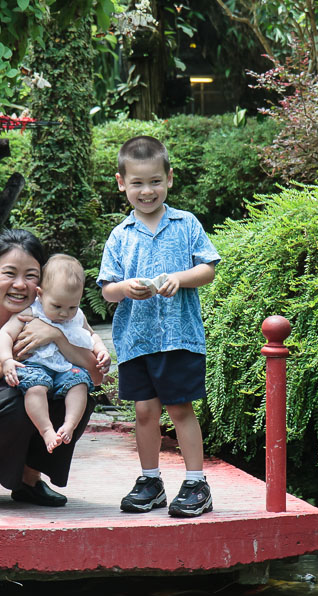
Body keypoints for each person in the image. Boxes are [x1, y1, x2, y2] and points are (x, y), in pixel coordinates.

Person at [0, 229, 101, 514]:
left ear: (42, 283)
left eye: (31, 275)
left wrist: (57, 337)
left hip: (14, 423)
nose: (20, 285)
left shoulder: (57, 313)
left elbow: (96, 377)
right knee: (18, 394)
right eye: (9, 273)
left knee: (76, 388)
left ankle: (28, 478)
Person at [97, 135, 221, 518]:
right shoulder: (120, 235)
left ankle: (197, 483)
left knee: (180, 408)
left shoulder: (186, 224)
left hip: (179, 338)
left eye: (155, 181)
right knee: (144, 411)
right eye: (137, 183)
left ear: (169, 178)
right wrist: (125, 288)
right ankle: (150, 481)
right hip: (136, 341)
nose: (147, 191)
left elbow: (208, 269)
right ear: (122, 183)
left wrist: (180, 279)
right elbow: (107, 290)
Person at [0, 254, 111, 453]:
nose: (64, 313)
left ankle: (69, 425)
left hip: (66, 368)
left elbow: (92, 336)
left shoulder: (78, 316)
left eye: (72, 306)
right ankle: (46, 430)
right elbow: (5, 333)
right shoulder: (32, 312)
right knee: (35, 388)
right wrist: (6, 360)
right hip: (35, 366)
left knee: (80, 383)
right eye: (57, 306)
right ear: (40, 295)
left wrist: (102, 351)